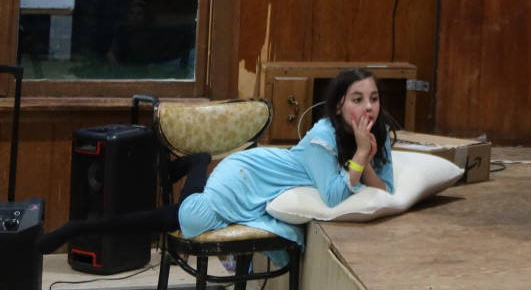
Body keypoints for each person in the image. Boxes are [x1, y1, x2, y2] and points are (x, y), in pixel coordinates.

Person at [37, 69, 397, 262]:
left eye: (374, 99)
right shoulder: (322, 136)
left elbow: (386, 191)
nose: (368, 108)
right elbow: (333, 196)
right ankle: (74, 229)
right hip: (245, 174)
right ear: (338, 106)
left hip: (259, 183)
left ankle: (197, 162)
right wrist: (360, 155)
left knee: (177, 215)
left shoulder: (378, 138)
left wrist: (365, 157)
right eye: (357, 99)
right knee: (188, 219)